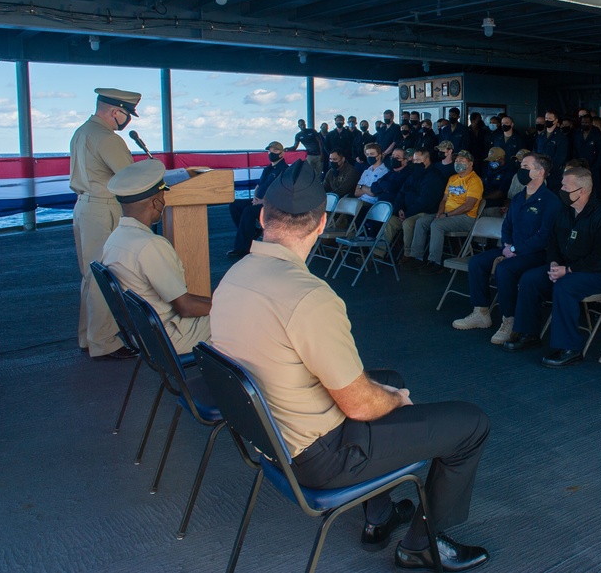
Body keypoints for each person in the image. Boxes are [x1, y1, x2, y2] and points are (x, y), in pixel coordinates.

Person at [210, 161, 490, 571]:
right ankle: (422, 544)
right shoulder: (309, 297)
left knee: (388, 378)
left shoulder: (235, 275)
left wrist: (388, 391)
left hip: (269, 437)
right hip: (319, 456)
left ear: (262, 217)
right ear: (322, 223)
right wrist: (397, 401)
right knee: (470, 424)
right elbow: (359, 406)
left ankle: (378, 517)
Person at [503, 167, 601, 368]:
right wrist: (555, 263)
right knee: (530, 279)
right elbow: (553, 243)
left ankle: (570, 348)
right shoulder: (565, 212)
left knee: (565, 286)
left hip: (597, 274)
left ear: (581, 190)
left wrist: (569, 270)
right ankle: (528, 333)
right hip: (565, 267)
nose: (561, 189)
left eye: (566, 186)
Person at [102, 159, 211, 355]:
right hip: (170, 336)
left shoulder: (115, 239)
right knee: (245, 317)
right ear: (157, 202)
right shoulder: (150, 245)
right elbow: (186, 307)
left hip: (144, 334)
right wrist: (226, 305)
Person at [452, 154, 561, 345]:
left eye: (526, 166)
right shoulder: (519, 197)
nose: (521, 169)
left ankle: (509, 320)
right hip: (511, 249)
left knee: (505, 269)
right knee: (477, 262)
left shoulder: (551, 201)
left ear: (540, 172)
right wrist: (508, 246)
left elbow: (544, 235)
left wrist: (516, 248)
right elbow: (507, 225)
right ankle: (481, 312)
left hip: (536, 254)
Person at [70, 87, 140, 359]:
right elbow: (130, 177)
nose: (128, 120)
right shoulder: (107, 138)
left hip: (85, 207)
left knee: (91, 274)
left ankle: (89, 337)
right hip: (103, 208)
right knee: (106, 275)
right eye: (127, 114)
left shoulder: (82, 132)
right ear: (116, 112)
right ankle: (104, 342)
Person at [406, 151, 484, 275]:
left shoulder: (474, 181)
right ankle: (417, 257)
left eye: (462, 160)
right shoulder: (452, 178)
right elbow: (443, 199)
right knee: (421, 221)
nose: (458, 163)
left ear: (470, 164)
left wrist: (446, 215)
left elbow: (468, 206)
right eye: (456, 160)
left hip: (466, 217)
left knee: (437, 225)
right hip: (447, 214)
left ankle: (435, 262)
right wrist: (440, 213)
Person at [229, 141, 288, 258]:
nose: (271, 153)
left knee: (249, 211)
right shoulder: (268, 169)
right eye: (270, 151)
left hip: (273, 204)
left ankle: (242, 248)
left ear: (282, 154)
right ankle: (251, 233)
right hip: (260, 201)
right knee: (234, 205)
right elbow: (259, 186)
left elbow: (281, 192)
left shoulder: (284, 170)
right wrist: (255, 198)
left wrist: (263, 201)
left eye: (275, 151)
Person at [392, 149, 448, 264]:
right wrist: (399, 209)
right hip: (407, 211)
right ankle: (378, 252)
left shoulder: (434, 177)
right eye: (414, 160)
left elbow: (425, 202)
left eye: (418, 160)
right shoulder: (413, 174)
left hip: (425, 212)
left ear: (427, 160)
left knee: (408, 223)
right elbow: (402, 193)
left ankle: (408, 255)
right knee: (390, 221)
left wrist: (407, 214)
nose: (415, 162)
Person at [572, 115, 601, 190]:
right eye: (583, 122)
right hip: (580, 166)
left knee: (595, 188)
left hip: (593, 167)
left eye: (586, 122)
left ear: (591, 123)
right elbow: (574, 150)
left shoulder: (597, 135)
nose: (584, 124)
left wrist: (594, 167)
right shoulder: (577, 134)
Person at [534, 111, 569, 183]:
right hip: (539, 170)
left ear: (555, 121)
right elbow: (535, 151)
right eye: (546, 118)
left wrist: (548, 169)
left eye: (550, 118)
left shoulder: (561, 137)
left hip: (553, 173)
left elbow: (560, 157)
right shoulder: (541, 136)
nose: (547, 120)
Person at [479, 147, 514, 215]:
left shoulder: (509, 172)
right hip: (483, 200)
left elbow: (500, 192)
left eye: (494, 160)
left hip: (496, 204)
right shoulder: (488, 169)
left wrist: (483, 197)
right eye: (490, 160)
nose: (491, 162)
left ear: (502, 158)